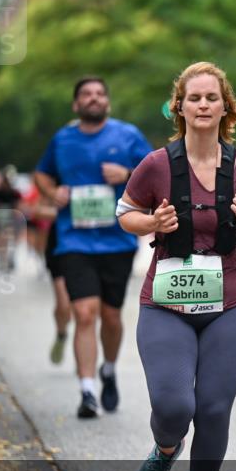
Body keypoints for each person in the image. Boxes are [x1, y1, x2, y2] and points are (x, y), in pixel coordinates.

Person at [117, 61, 236, 471]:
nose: (202, 105)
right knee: (173, 406)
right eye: (193, 97)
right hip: (167, 303)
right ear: (178, 107)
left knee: (213, 408)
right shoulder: (156, 165)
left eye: (211, 97)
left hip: (230, 303)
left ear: (226, 106)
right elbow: (125, 211)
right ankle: (166, 450)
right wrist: (152, 224)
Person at [34, 77, 152, 418]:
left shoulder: (127, 135)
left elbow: (157, 175)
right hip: (74, 240)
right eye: (86, 94)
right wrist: (51, 192)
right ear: (76, 105)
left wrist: (128, 172)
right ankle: (87, 392)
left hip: (117, 239)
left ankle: (108, 370)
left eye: (100, 94)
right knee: (84, 313)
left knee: (111, 316)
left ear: (108, 103)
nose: (93, 98)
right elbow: (42, 174)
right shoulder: (63, 138)